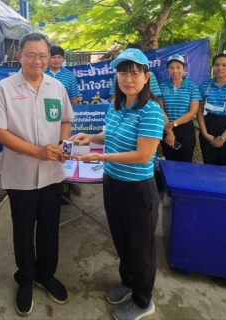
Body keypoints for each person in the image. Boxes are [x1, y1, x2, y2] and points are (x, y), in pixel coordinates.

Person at [71, 48, 164, 320]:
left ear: (146, 77)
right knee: (122, 240)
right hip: (112, 182)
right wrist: (88, 138)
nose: (128, 78)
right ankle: (128, 282)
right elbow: (106, 134)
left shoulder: (151, 110)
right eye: (123, 72)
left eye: (135, 73)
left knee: (141, 247)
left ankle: (143, 300)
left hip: (137, 189)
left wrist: (100, 156)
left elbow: (143, 155)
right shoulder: (117, 105)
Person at [0, 33, 74, 316]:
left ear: (49, 58)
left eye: (42, 56)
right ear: (20, 57)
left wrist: (63, 143)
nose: (37, 61)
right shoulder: (5, 87)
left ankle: (45, 275)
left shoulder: (57, 86)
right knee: (23, 231)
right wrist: (35, 151)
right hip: (21, 174)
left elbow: (65, 120)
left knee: (50, 228)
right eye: (31, 55)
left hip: (52, 173)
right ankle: (25, 278)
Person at [45, 45, 82, 196]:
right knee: (49, 147)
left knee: (65, 147)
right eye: (53, 56)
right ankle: (51, 183)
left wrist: (76, 116)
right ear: (48, 58)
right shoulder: (41, 73)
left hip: (64, 119)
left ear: (63, 59)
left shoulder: (69, 76)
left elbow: (74, 97)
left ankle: (70, 182)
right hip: (46, 119)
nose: (56, 60)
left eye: (59, 57)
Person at [159, 54, 202, 162]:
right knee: (169, 162)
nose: (175, 70)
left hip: (185, 129)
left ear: (184, 68)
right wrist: (169, 131)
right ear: (167, 69)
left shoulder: (192, 87)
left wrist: (173, 124)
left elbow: (192, 112)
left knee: (185, 162)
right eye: (171, 67)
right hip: (166, 126)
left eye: (178, 67)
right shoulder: (162, 87)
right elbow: (160, 109)